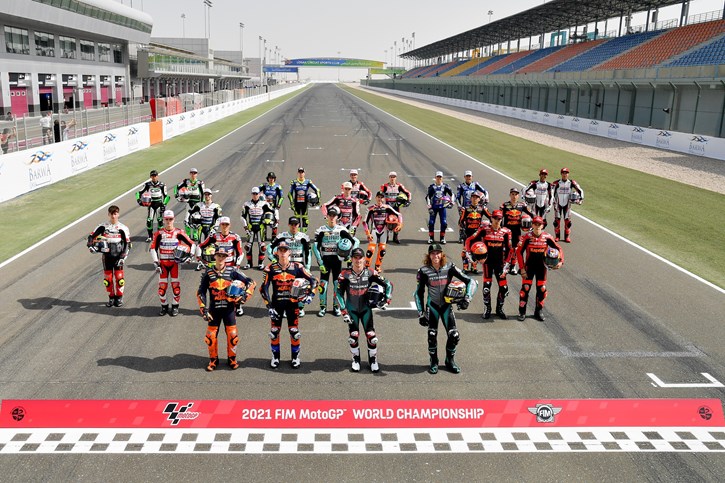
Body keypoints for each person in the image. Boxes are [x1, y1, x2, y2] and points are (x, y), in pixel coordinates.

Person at [415, 243, 476, 374]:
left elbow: (471, 281)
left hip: (446, 306)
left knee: (454, 335)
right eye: (432, 253)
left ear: (442, 254)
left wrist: (467, 299)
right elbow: (418, 293)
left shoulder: (450, 267)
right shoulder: (423, 271)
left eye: (438, 253)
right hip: (432, 306)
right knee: (432, 335)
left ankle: (450, 360)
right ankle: (434, 361)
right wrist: (421, 313)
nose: (435, 256)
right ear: (429, 256)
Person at [260, 241, 318, 369]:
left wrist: (310, 295)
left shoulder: (297, 267)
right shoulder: (270, 268)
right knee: (274, 332)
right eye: (280, 250)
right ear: (277, 252)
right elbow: (263, 288)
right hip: (277, 305)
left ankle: (295, 357)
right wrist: (269, 306)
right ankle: (275, 357)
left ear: (289, 252)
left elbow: (313, 280)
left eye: (285, 250)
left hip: (292, 305)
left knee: (294, 331)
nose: (283, 253)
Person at [197, 247, 256, 371]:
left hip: (229, 309)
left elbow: (251, 282)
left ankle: (232, 359)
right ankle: (213, 360)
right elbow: (201, 292)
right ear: (215, 256)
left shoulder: (233, 271)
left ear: (226, 257)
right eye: (219, 255)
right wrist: (204, 309)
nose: (221, 258)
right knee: (210, 337)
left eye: (223, 256)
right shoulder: (208, 273)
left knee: (233, 336)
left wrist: (244, 296)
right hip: (214, 310)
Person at [335, 247, 393, 373]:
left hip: (366, 309)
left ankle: (373, 360)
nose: (358, 260)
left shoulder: (370, 272)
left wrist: (386, 299)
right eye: (355, 257)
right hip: (351, 310)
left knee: (371, 336)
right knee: (353, 336)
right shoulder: (344, 274)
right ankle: (355, 359)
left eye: (360, 257)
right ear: (351, 259)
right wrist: (343, 310)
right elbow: (338, 293)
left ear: (364, 259)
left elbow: (388, 284)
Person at [465, 210, 513, 320]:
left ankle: (499, 309)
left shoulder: (506, 232)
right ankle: (487, 309)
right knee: (487, 287)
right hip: (487, 263)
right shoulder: (484, 229)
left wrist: (507, 263)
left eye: (499, 218)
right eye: (495, 218)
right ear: (491, 218)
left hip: (500, 264)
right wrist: (468, 253)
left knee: (503, 288)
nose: (497, 220)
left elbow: (510, 249)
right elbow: (469, 240)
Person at [312, 206, 359, 317]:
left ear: (337, 217)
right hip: (325, 261)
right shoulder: (321, 230)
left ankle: (336, 307)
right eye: (330, 215)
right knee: (323, 285)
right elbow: (315, 247)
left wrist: (349, 256)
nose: (332, 217)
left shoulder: (341, 230)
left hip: (337, 261)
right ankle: (322, 307)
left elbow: (355, 241)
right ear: (327, 216)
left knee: (337, 284)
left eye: (334, 215)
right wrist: (320, 262)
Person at [516, 216, 563, 322]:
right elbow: (519, 252)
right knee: (525, 289)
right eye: (535, 224)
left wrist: (561, 261)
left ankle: (539, 311)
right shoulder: (526, 237)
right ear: (532, 225)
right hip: (528, 268)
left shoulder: (547, 237)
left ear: (542, 225)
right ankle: (522, 312)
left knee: (542, 289)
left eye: (539, 224)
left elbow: (558, 248)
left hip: (542, 268)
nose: (537, 226)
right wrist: (522, 268)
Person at [149, 210, 196, 317]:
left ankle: (175, 306)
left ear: (174, 219)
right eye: (167, 219)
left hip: (175, 264)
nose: (168, 221)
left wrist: (190, 256)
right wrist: (156, 262)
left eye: (170, 219)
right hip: (163, 264)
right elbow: (153, 248)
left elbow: (192, 244)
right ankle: (164, 306)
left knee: (176, 288)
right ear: (163, 220)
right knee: (162, 289)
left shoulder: (179, 232)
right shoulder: (159, 233)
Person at [196, 216, 245, 314]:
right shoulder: (214, 236)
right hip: (217, 266)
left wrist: (237, 264)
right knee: (215, 287)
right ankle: (213, 307)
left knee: (236, 285)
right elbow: (201, 246)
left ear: (230, 225)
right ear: (220, 225)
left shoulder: (235, 237)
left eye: (226, 224)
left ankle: (238, 306)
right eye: (223, 224)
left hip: (231, 265)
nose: (224, 226)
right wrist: (200, 259)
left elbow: (240, 253)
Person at [266, 216, 312, 316]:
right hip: (285, 266)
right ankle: (285, 308)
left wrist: (308, 267)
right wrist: (273, 259)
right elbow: (269, 247)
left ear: (299, 225)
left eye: (295, 224)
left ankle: (300, 307)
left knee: (301, 286)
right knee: (286, 288)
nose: (293, 226)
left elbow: (308, 253)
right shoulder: (282, 236)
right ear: (288, 225)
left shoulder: (304, 237)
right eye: (292, 224)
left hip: (299, 265)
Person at [86, 205, 130, 307]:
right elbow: (91, 237)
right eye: (111, 214)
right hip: (107, 257)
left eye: (115, 214)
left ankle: (119, 298)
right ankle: (111, 297)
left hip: (118, 256)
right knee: (108, 280)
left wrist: (123, 257)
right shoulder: (103, 226)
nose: (113, 216)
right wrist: (90, 246)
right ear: (108, 214)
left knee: (119, 279)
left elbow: (127, 244)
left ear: (118, 214)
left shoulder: (123, 228)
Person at [362, 191, 401, 272]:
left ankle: (378, 266)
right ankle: (367, 266)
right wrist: (367, 233)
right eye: (378, 197)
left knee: (382, 250)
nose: (380, 199)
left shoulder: (387, 207)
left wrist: (400, 224)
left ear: (384, 198)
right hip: (374, 231)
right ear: (376, 198)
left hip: (384, 231)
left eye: (381, 197)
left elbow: (399, 215)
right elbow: (364, 222)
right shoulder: (370, 208)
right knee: (370, 250)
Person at [499, 187, 534, 275]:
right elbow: (498, 216)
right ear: (510, 195)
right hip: (506, 231)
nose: (514, 196)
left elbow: (531, 214)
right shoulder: (504, 205)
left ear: (518, 196)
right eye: (512, 194)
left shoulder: (522, 205)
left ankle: (513, 266)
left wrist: (535, 222)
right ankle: (505, 265)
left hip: (516, 231)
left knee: (516, 248)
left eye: (516, 194)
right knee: (506, 248)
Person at [241, 186, 276, 270]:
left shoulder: (264, 203)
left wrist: (273, 221)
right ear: (251, 194)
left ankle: (261, 263)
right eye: (253, 194)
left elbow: (273, 211)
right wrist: (245, 227)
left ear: (258, 194)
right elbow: (242, 217)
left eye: (256, 194)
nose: (255, 195)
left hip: (261, 227)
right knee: (248, 247)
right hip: (251, 227)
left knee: (262, 247)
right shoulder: (247, 204)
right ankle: (249, 263)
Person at [186, 188, 222, 267]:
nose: (207, 196)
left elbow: (219, 218)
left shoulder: (216, 206)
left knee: (211, 245)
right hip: (201, 228)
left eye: (208, 194)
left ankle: (211, 263)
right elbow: (190, 212)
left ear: (211, 195)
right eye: (205, 194)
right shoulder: (199, 205)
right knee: (200, 245)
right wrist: (188, 221)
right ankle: (200, 262)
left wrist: (215, 228)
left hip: (211, 228)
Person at [457, 191, 490, 273]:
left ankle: (474, 266)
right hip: (468, 233)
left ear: (479, 199)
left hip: (478, 234)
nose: (475, 199)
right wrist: (462, 230)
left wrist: (489, 226)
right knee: (465, 250)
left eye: (476, 197)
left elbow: (491, 217)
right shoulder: (465, 209)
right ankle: (465, 267)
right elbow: (460, 221)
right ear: (471, 198)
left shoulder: (482, 208)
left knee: (476, 250)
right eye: (473, 197)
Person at [551, 167, 584, 242]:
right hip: (558, 205)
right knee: (556, 222)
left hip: (567, 205)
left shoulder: (572, 183)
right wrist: (551, 201)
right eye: (563, 173)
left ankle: (567, 237)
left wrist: (581, 199)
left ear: (568, 174)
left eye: (566, 173)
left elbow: (580, 190)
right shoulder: (556, 183)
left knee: (568, 222)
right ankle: (557, 237)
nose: (565, 174)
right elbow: (551, 192)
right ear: (561, 174)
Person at [136, 170, 170, 242]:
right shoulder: (147, 185)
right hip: (151, 205)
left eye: (155, 176)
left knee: (160, 221)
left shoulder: (162, 185)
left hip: (159, 205)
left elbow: (166, 196)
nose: (154, 177)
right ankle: (150, 236)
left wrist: (164, 204)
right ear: (150, 177)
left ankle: (159, 236)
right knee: (149, 221)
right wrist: (139, 200)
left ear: (157, 176)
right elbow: (138, 193)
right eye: (152, 176)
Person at [455, 170, 489, 243]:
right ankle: (461, 236)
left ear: (472, 177)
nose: (468, 178)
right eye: (467, 176)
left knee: (475, 221)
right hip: (465, 207)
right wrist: (459, 206)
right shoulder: (461, 186)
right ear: (464, 177)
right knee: (462, 221)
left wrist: (486, 199)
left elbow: (485, 191)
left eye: (469, 176)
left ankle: (477, 235)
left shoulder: (475, 184)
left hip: (475, 206)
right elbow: (457, 197)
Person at [380, 171, 412, 244]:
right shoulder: (384, 186)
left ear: (396, 178)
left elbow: (408, 193)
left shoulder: (399, 186)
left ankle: (395, 237)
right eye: (391, 177)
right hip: (387, 206)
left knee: (397, 221)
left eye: (394, 177)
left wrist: (408, 201)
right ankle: (386, 237)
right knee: (385, 221)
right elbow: (380, 195)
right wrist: (381, 202)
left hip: (396, 206)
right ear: (389, 178)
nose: (392, 178)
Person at [288, 167, 321, 233]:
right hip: (296, 203)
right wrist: (291, 203)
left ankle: (304, 235)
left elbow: (317, 190)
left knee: (305, 219)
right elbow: (290, 193)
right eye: (299, 172)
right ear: (297, 173)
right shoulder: (294, 182)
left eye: (302, 172)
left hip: (304, 203)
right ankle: (297, 234)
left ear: (304, 173)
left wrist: (318, 199)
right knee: (297, 219)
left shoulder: (308, 181)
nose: (301, 174)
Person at [425, 171, 454, 244]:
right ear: (435, 177)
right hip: (434, 207)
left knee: (444, 223)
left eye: (440, 177)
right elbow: (428, 197)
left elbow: (452, 194)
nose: (439, 178)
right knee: (431, 223)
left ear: (442, 178)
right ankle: (431, 237)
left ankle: (442, 238)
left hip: (442, 207)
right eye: (437, 177)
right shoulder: (432, 187)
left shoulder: (445, 186)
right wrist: (429, 206)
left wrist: (452, 202)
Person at [259, 171, 285, 238]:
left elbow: (281, 197)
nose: (271, 179)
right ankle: (263, 233)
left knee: (276, 219)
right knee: (261, 218)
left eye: (272, 178)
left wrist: (279, 204)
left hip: (274, 207)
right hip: (264, 206)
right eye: (270, 178)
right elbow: (256, 191)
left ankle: (274, 234)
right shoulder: (264, 185)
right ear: (268, 178)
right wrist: (259, 198)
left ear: (274, 179)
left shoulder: (277, 187)